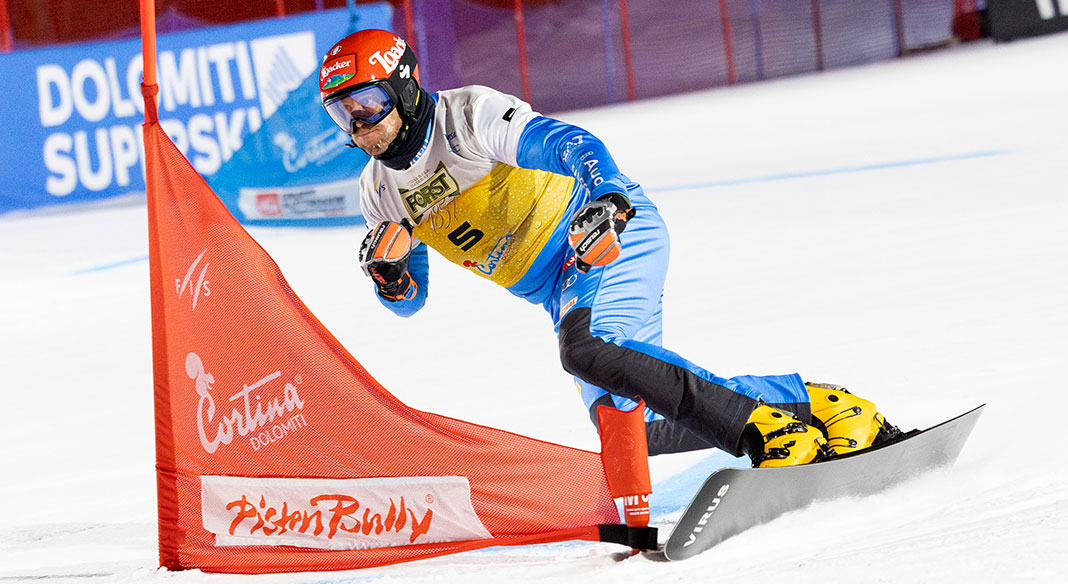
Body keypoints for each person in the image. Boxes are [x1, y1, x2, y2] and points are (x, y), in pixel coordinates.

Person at [319, 29, 899, 468]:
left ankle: (765, 429)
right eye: (343, 114)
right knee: (638, 425)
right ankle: (823, 408)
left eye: (367, 103)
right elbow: (410, 302)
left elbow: (569, 142)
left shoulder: (466, 116)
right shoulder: (379, 189)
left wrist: (606, 195)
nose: (360, 126)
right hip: (561, 289)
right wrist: (391, 279)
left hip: (605, 235)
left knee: (591, 348)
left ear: (403, 85)